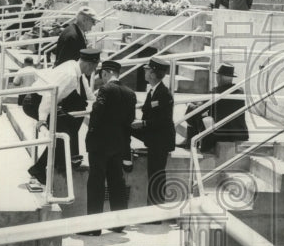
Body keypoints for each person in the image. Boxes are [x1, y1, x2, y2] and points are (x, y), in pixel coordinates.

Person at [28, 48, 98, 189]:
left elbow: (86, 91)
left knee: (68, 127)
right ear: (89, 64)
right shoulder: (70, 75)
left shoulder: (75, 66)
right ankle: (39, 169)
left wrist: (96, 101)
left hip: (44, 100)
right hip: (35, 101)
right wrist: (42, 120)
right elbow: (49, 95)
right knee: (64, 132)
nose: (94, 71)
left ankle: (58, 161)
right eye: (95, 67)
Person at [82, 59, 137, 235]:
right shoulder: (130, 93)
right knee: (116, 183)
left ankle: (93, 226)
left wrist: (90, 134)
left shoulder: (105, 89)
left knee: (96, 183)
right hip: (119, 144)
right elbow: (129, 120)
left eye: (102, 76)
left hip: (100, 145)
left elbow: (97, 113)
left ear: (105, 73)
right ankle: (118, 224)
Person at [132, 58, 175, 206]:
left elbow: (164, 121)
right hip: (153, 137)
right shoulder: (154, 91)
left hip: (160, 141)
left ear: (152, 74)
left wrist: (143, 123)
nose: (144, 72)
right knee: (154, 173)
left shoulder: (164, 94)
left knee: (156, 174)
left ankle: (155, 211)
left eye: (146, 70)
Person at [180, 63, 248, 152]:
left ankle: (190, 142)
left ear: (219, 77)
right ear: (231, 78)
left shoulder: (217, 92)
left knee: (194, 112)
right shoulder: (240, 91)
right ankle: (189, 141)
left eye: (217, 76)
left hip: (221, 133)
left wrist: (191, 105)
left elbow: (201, 108)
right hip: (239, 133)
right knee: (201, 112)